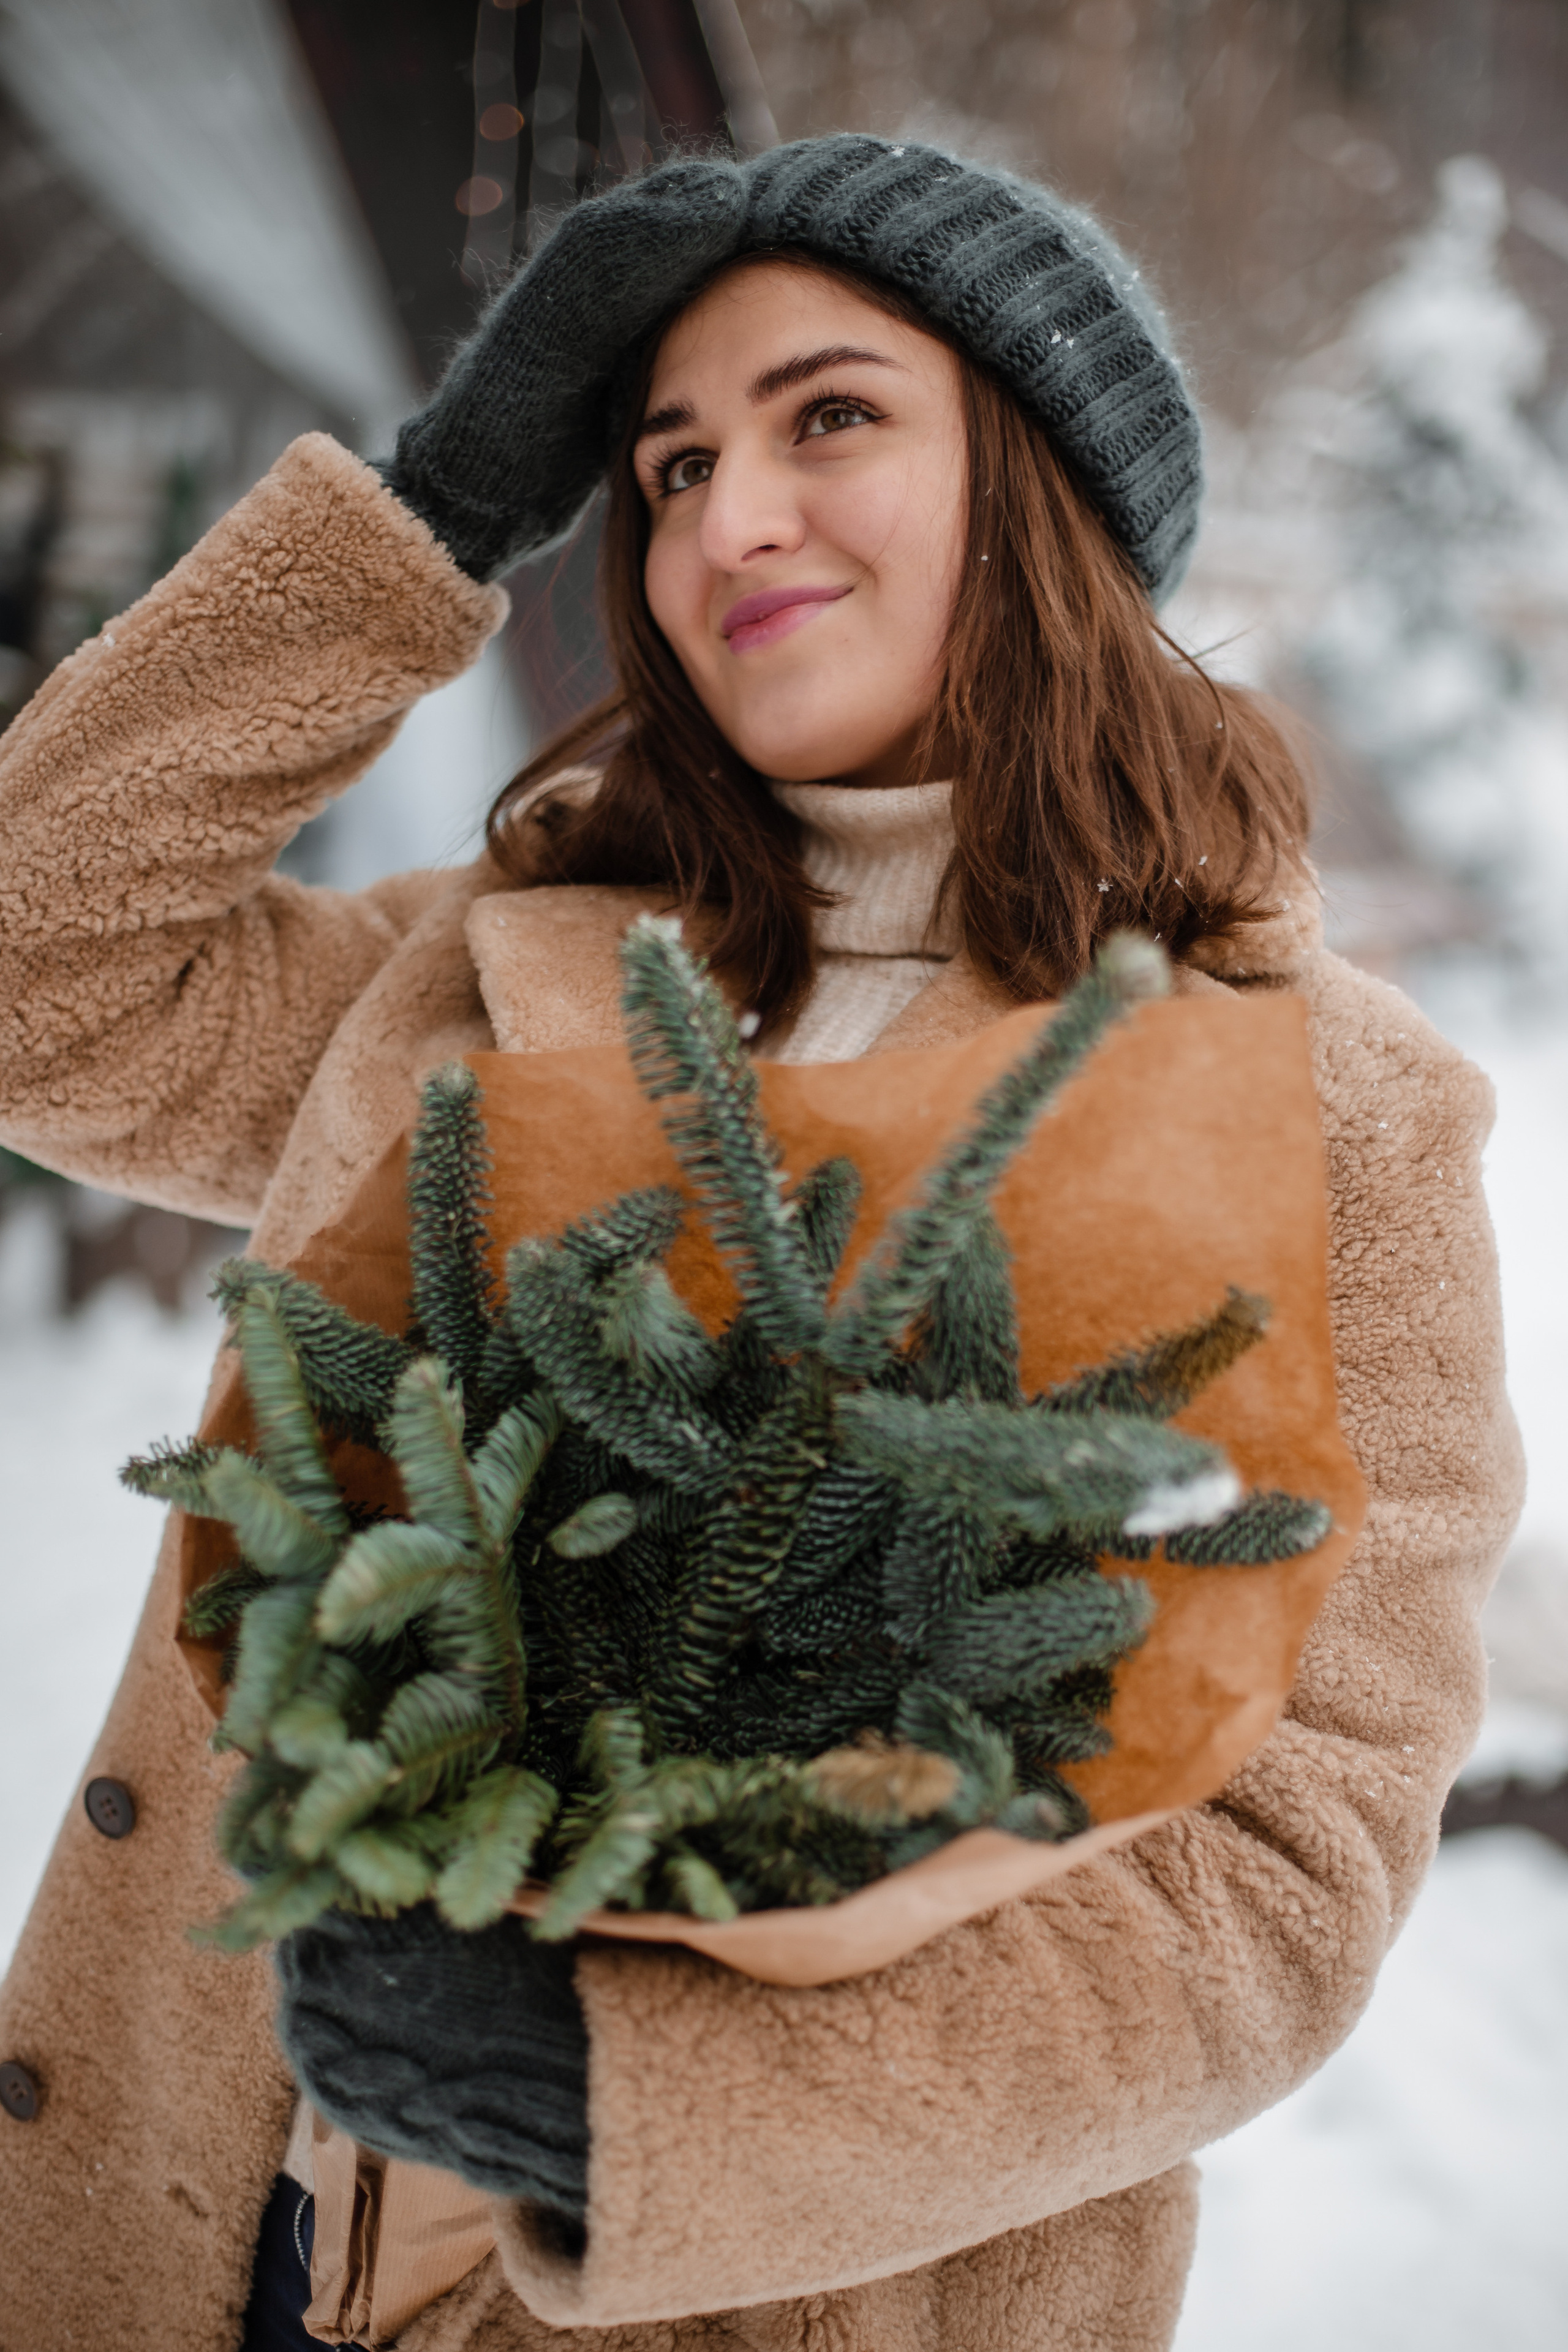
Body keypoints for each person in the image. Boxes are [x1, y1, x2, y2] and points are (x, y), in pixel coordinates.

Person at [0, 135, 1521, 2352]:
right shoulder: (494, 979)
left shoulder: (1334, 1118)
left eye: (831, 418)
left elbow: (1282, 1882)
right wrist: (422, 522)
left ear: (1042, 486)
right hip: (213, 2232)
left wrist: (650, 2104)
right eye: (670, 458)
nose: (730, 519)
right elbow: (37, 972)